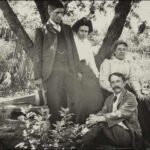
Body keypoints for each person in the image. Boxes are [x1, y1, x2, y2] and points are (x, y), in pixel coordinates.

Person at [33, 1, 79, 123]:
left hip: (68, 71)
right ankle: (56, 135)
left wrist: (78, 70)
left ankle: (67, 132)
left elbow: (74, 51)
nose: (60, 15)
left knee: (69, 102)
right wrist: (38, 76)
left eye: (62, 13)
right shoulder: (41, 30)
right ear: (49, 11)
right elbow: (37, 56)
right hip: (52, 73)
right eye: (57, 12)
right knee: (54, 103)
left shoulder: (67, 29)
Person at [80, 72, 142, 149]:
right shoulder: (109, 98)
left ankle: (80, 142)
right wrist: (92, 118)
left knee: (101, 123)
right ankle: (82, 139)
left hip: (128, 133)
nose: (115, 84)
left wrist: (98, 119)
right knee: (95, 122)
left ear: (124, 83)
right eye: (112, 82)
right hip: (113, 132)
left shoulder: (130, 97)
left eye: (118, 81)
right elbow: (103, 112)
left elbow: (120, 113)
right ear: (110, 85)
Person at [67, 17, 104, 124]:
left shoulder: (87, 42)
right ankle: (79, 123)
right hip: (74, 70)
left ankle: (91, 121)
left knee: (96, 96)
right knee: (80, 98)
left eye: (86, 31)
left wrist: (97, 74)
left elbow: (91, 60)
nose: (84, 33)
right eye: (81, 31)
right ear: (77, 30)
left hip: (86, 70)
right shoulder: (72, 41)